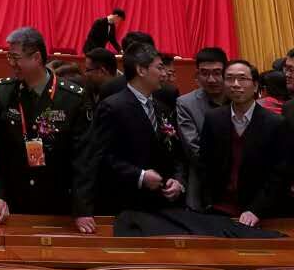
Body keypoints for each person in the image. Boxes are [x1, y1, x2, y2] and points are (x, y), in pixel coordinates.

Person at [0, 26, 95, 233]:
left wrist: (82, 208)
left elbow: (83, 158)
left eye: (16, 58)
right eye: (9, 57)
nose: (11, 63)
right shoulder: (5, 91)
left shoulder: (72, 97)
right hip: (14, 202)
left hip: (58, 203)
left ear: (36, 57)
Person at [93, 41, 186, 214]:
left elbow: (176, 152)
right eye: (159, 68)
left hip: (165, 203)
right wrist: (140, 176)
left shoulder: (162, 108)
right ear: (141, 70)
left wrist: (178, 180)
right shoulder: (112, 107)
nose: (164, 74)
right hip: (128, 203)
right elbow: (102, 156)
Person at [198, 59, 291, 225]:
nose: (235, 84)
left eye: (242, 78)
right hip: (219, 208)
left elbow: (280, 173)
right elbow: (205, 163)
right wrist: (209, 201)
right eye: (229, 78)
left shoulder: (275, 123)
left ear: (255, 86)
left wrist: (257, 209)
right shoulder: (213, 118)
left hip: (261, 211)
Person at [176, 46, 228, 209]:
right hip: (203, 184)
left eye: (217, 73)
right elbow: (193, 148)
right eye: (205, 73)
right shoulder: (186, 103)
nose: (211, 79)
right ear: (197, 74)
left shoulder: (238, 97)